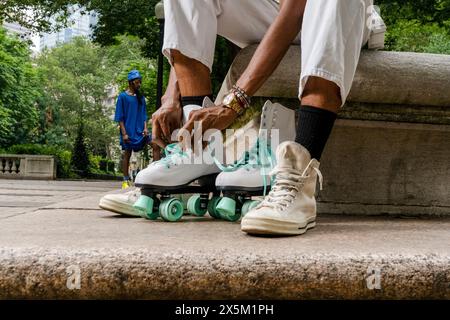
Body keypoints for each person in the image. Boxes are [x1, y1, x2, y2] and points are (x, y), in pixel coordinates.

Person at [115, 70, 150, 189]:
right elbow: (120, 116)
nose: (139, 84)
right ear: (130, 83)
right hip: (128, 131)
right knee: (127, 154)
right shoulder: (122, 97)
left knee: (155, 144)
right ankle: (125, 180)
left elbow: (144, 114)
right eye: (137, 82)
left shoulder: (141, 98)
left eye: (140, 82)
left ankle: (156, 177)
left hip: (140, 130)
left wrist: (146, 128)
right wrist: (124, 133)